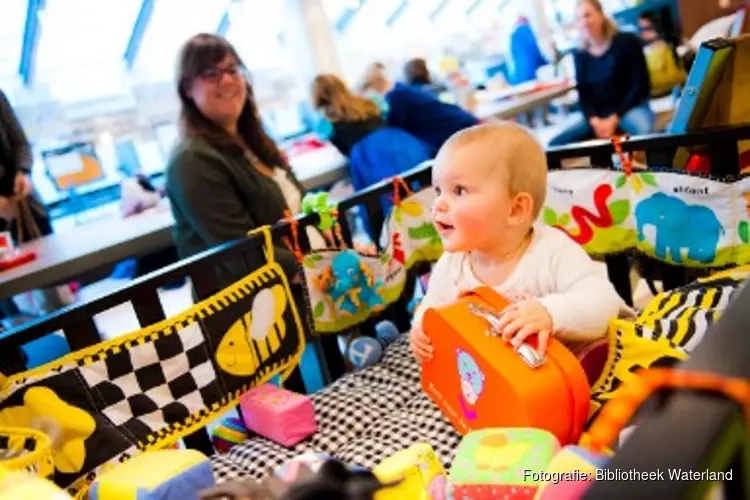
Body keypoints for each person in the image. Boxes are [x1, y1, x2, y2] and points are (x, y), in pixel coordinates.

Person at [409, 122, 632, 362]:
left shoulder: (552, 251)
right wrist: (422, 327)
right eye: (438, 190)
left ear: (515, 209)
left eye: (459, 191)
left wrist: (550, 313)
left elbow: (601, 301)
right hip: (513, 378)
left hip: (580, 365)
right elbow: (433, 303)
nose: (439, 204)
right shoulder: (452, 264)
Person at [166, 34, 317, 295]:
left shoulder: (253, 141)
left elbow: (297, 209)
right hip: (253, 317)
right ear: (188, 88)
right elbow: (244, 254)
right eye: (211, 73)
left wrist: (338, 251)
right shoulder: (192, 160)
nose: (226, 80)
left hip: (298, 293)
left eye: (232, 69)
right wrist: (323, 269)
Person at [548, 0, 654, 146]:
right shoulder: (579, 54)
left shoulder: (627, 41)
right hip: (598, 116)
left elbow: (641, 86)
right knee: (555, 144)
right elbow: (583, 94)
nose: (584, 22)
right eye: (579, 18)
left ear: (601, 15)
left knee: (646, 136)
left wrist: (614, 119)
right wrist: (594, 120)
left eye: (588, 15)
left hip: (629, 108)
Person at [311, 74, 432, 193]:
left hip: (369, 156)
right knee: (420, 184)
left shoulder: (326, 119)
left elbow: (336, 145)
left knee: (389, 196)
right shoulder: (368, 101)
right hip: (398, 141)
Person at [361, 62, 479, 156]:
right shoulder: (402, 91)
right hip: (461, 126)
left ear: (372, 86)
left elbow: (392, 130)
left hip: (460, 133)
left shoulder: (396, 98)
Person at [638, 11, 686, 97]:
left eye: (648, 28)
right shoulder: (643, 50)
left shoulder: (670, 47)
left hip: (668, 93)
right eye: (641, 29)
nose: (643, 33)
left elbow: (677, 77)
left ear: (657, 26)